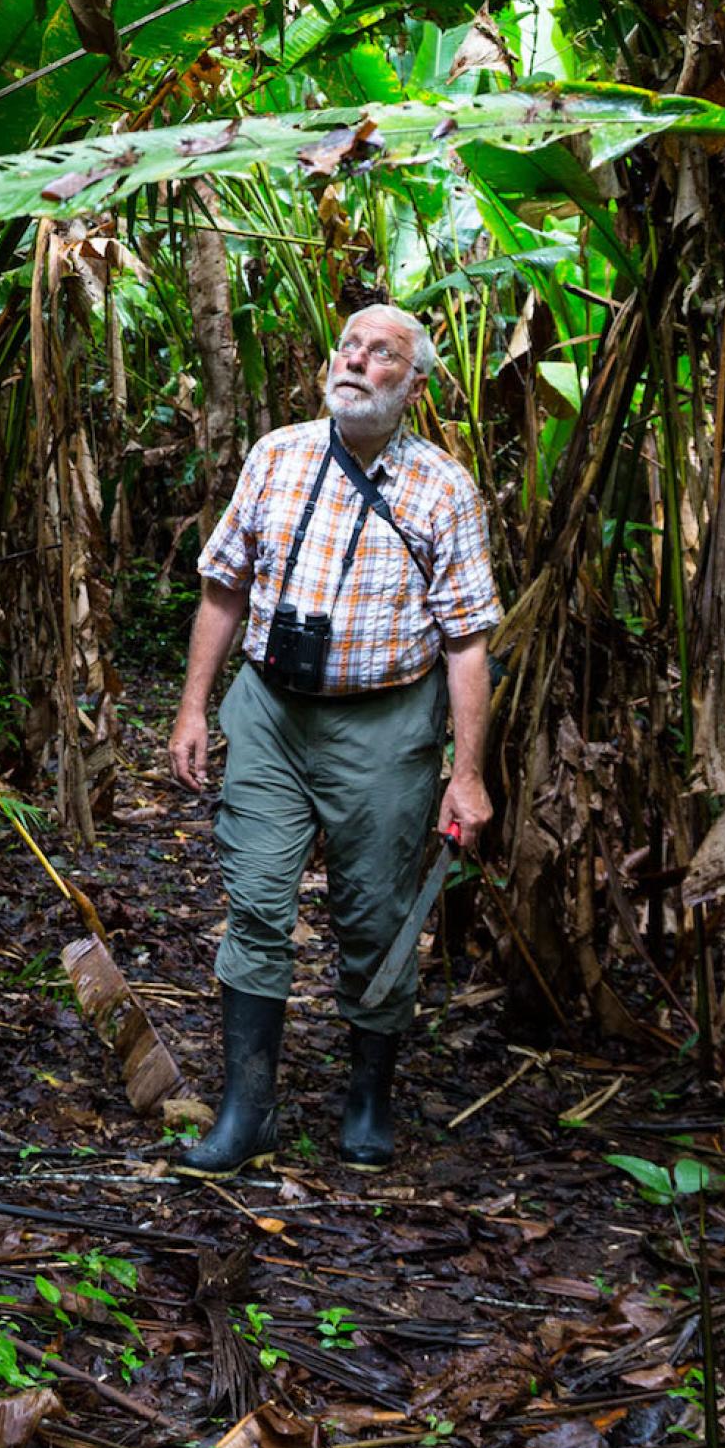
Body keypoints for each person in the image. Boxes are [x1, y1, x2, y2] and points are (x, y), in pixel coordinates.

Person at [165, 304, 500, 1173]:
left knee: (375, 912)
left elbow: (466, 639)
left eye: (379, 353)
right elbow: (222, 585)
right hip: (271, 710)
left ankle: (366, 1097)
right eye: (347, 345)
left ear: (413, 381)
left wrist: (466, 775)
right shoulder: (276, 454)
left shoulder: (442, 487)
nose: (354, 361)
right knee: (257, 898)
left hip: (384, 725)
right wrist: (194, 706)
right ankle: (247, 1110)